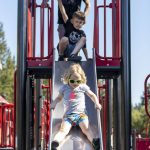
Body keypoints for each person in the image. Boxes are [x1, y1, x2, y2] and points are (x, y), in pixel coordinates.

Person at [50, 64, 102, 150]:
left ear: (81, 80)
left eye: (77, 81)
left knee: (86, 129)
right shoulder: (64, 88)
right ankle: (55, 142)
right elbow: (59, 98)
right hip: (68, 115)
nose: (75, 83)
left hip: (81, 115)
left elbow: (92, 95)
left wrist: (97, 103)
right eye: (72, 81)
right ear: (68, 79)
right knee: (63, 130)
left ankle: (94, 141)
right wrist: (54, 103)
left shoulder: (82, 87)